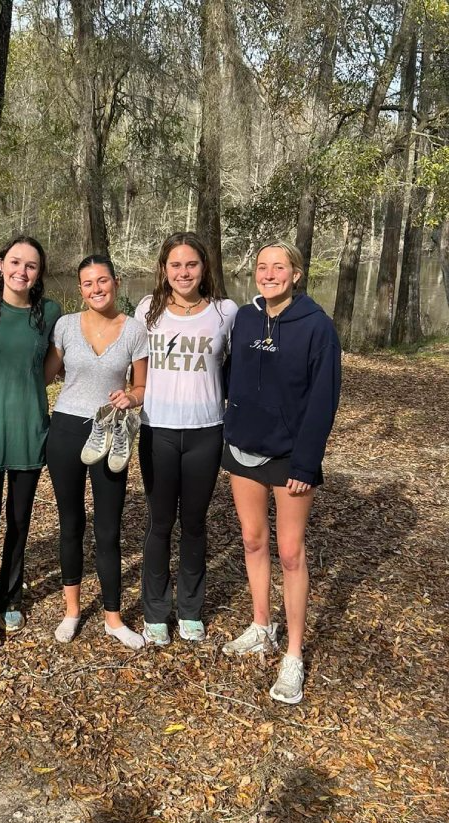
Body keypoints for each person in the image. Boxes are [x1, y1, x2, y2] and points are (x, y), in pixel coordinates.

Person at [221, 240, 341, 705]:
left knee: (290, 552)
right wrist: (230, 423)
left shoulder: (316, 326)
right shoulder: (245, 318)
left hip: (290, 457)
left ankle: (293, 654)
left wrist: (307, 462)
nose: (269, 274)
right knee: (253, 540)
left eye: (279, 267)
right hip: (243, 448)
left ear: (296, 273)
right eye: (262, 267)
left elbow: (323, 399)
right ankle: (260, 625)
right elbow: (229, 373)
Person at [136, 232, 238, 646]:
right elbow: (127, 359)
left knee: (194, 523)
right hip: (157, 429)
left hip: (205, 431)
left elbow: (246, 364)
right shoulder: (147, 310)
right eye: (175, 265)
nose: (183, 272)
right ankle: (156, 610)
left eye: (191, 264)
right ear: (164, 269)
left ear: (204, 268)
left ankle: (191, 608)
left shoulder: (225, 312)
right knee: (160, 523)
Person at [0, 236, 61, 649]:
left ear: (39, 273)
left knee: (20, 521)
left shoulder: (50, 313)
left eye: (31, 265)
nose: (22, 271)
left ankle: (10, 594)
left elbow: (54, 366)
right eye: (15, 262)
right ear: (0, 264)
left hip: (28, 427)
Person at [44, 255, 148, 649]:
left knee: (108, 527)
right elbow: (43, 375)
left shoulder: (135, 331)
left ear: (116, 283)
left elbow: (142, 388)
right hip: (66, 431)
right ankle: (72, 612)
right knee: (70, 523)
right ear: (80, 289)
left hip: (110, 434)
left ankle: (113, 617)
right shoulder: (66, 326)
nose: (96, 289)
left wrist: (131, 397)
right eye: (88, 283)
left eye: (102, 281)